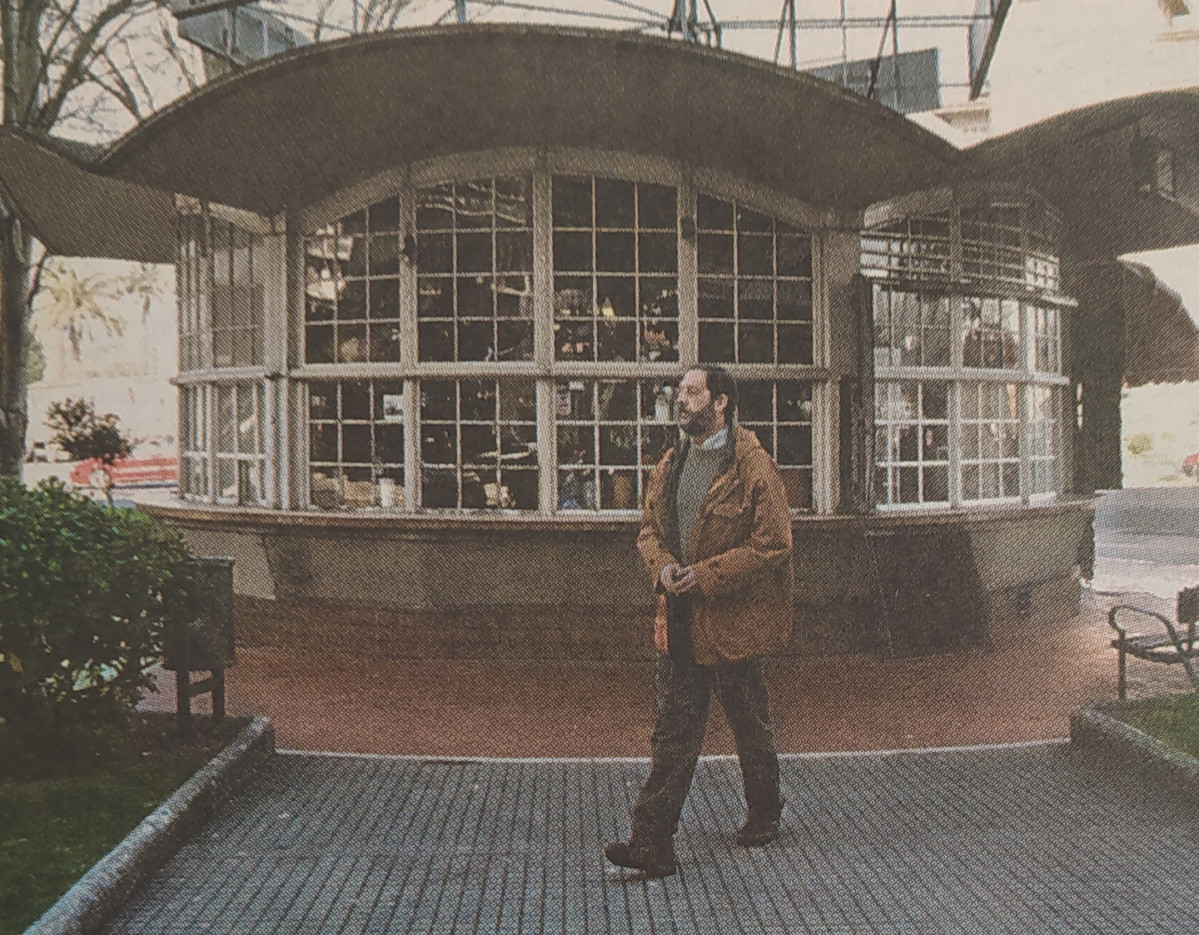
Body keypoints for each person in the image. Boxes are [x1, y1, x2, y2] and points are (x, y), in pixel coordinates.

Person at [605, 364, 795, 879]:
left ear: (721, 402)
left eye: (692, 392)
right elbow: (648, 530)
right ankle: (652, 842)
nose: (681, 400)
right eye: (680, 392)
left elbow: (774, 543)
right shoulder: (671, 464)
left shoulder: (752, 466)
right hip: (682, 619)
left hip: (733, 622)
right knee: (673, 731)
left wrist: (706, 576)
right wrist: (663, 567)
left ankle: (765, 811)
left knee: (749, 722)